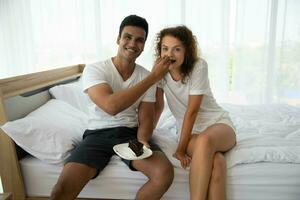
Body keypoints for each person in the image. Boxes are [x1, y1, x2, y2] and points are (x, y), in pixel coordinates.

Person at [50, 15, 174, 200]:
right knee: (61, 190)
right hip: (97, 135)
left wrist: (143, 141)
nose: (133, 43)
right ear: (118, 39)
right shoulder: (95, 69)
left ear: (143, 45)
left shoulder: (145, 75)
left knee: (164, 173)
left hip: (130, 134)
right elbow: (111, 106)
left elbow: (146, 117)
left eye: (139, 40)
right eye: (128, 37)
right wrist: (152, 79)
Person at [154, 25, 236, 200]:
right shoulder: (159, 71)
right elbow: (158, 106)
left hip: (217, 124)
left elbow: (191, 112)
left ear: (186, 51)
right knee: (218, 162)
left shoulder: (198, 66)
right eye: (165, 48)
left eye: (176, 49)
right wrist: (145, 136)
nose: (169, 54)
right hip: (190, 133)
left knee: (206, 139)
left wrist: (180, 150)